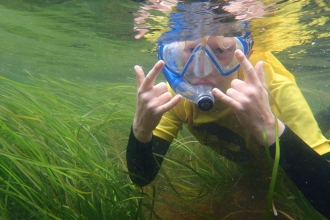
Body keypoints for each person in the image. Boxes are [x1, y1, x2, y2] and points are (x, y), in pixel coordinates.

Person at [127, 1, 330, 218]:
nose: (202, 69)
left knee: (317, 125)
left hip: (282, 134)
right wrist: (140, 129)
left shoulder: (274, 89)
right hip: (255, 159)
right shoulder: (174, 99)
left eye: (221, 50)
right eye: (190, 50)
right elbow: (142, 177)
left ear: (245, 53)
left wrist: (269, 126)